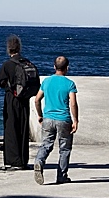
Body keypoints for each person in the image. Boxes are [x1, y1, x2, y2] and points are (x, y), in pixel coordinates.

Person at [0, 35, 40, 170]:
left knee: (11, 128)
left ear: (8, 49)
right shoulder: (26, 62)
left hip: (12, 98)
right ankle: (23, 159)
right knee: (23, 128)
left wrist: (8, 85)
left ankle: (13, 160)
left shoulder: (8, 64)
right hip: (25, 99)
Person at [33, 55, 78, 185]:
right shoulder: (69, 84)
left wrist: (40, 115)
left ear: (54, 67)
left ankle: (39, 161)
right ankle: (61, 176)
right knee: (64, 148)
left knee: (46, 144)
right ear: (67, 68)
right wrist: (76, 120)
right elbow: (73, 104)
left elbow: (37, 100)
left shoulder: (46, 81)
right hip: (63, 119)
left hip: (48, 118)